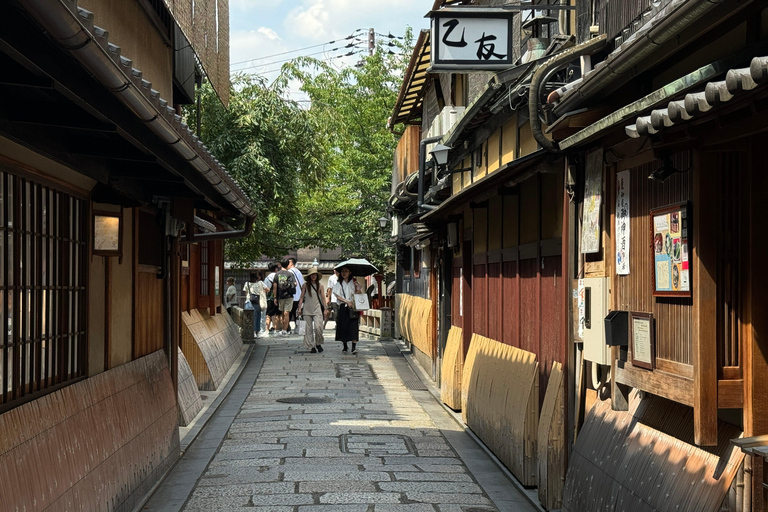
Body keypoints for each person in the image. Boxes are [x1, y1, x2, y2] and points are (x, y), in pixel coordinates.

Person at [333, 265, 363, 354]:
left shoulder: (354, 282)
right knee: (344, 326)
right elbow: (338, 296)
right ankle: (345, 345)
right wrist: (346, 302)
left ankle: (354, 347)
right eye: (342, 271)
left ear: (350, 272)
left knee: (354, 326)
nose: (344, 273)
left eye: (346, 271)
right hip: (343, 307)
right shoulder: (338, 284)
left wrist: (357, 288)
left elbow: (359, 293)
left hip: (353, 307)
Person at [297, 267, 325, 353]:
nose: (313, 276)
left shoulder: (320, 286)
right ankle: (311, 346)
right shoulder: (305, 286)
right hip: (307, 309)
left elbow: (323, 298)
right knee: (308, 329)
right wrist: (299, 308)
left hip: (317, 309)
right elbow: (301, 297)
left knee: (318, 327)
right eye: (311, 275)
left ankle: (318, 343)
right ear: (309, 276)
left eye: (314, 274)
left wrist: (326, 308)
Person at [272, 259, 297, 336]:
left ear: (280, 265)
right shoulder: (290, 274)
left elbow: (275, 286)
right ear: (287, 265)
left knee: (282, 313)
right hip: (289, 295)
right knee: (287, 313)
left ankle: (283, 329)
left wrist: (275, 297)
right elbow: (295, 283)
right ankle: (284, 330)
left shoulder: (277, 274)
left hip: (280, 296)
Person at [243, 272, 266, 338]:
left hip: (248, 301)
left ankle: (248, 332)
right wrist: (262, 292)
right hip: (257, 301)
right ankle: (256, 332)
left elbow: (246, 292)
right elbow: (267, 289)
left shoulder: (247, 283)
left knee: (248, 318)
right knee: (257, 317)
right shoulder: (260, 283)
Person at [285, 257, 304, 333]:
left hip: (291, 295)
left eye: (288, 262)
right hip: (299, 296)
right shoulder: (299, 272)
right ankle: (298, 328)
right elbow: (302, 284)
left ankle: (287, 328)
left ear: (291, 263)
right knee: (297, 313)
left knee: (288, 312)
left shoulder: (288, 272)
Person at [262, 262, 280, 336]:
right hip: (278, 297)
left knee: (268, 314)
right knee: (277, 314)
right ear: (276, 268)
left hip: (270, 297)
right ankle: (276, 330)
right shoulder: (278, 275)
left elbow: (265, 288)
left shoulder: (267, 277)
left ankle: (267, 330)